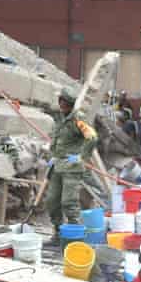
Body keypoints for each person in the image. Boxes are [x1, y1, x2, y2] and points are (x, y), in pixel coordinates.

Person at [47, 90, 97, 232]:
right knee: (51, 201)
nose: (60, 103)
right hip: (57, 166)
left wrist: (81, 157)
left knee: (68, 202)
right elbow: (57, 140)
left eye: (63, 101)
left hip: (72, 168)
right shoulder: (61, 118)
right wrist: (53, 155)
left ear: (69, 103)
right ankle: (57, 232)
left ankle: (74, 233)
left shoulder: (78, 119)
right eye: (60, 100)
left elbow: (92, 137)